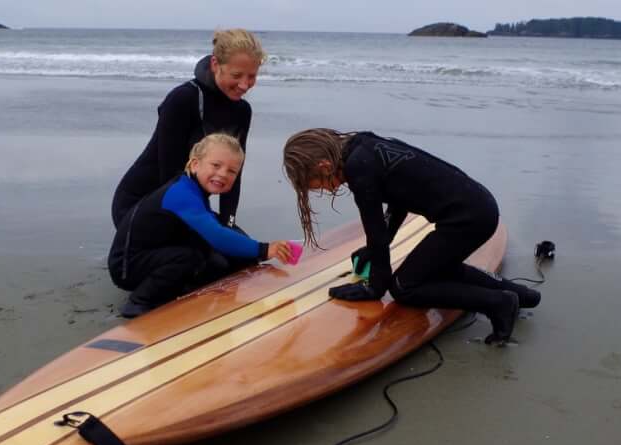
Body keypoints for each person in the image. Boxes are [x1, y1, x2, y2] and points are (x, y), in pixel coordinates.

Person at [282, 129, 540, 344]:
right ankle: (522, 295)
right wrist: (374, 252)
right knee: (438, 269)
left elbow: (375, 232)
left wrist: (375, 287)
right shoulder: (363, 146)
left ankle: (499, 303)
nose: (326, 190)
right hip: (478, 206)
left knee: (405, 287)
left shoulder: (358, 169)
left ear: (324, 166)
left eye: (318, 186)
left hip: (465, 220)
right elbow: (398, 201)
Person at [109, 133, 292, 318]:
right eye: (216, 165)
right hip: (127, 267)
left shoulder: (194, 190)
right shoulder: (181, 193)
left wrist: (249, 257)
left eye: (231, 171)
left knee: (217, 257)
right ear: (195, 164)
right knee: (189, 257)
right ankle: (139, 302)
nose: (222, 174)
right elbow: (217, 236)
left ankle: (185, 290)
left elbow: (221, 230)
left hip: (156, 254)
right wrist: (264, 249)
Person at [111, 28, 265, 229]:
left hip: (190, 204)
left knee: (237, 250)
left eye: (251, 76)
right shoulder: (183, 99)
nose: (244, 85)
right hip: (143, 204)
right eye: (237, 75)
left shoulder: (242, 111)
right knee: (210, 258)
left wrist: (229, 222)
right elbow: (169, 173)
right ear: (215, 64)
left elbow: (234, 174)